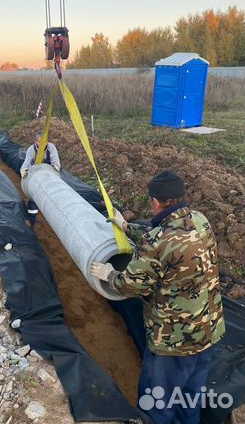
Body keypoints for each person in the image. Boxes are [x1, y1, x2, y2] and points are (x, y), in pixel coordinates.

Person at [91, 169, 225, 424]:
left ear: (155, 202)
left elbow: (131, 286)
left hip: (173, 343)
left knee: (158, 404)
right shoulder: (200, 220)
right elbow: (168, 242)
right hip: (207, 333)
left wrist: (110, 275)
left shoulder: (157, 241)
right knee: (190, 399)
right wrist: (127, 227)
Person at [20, 132, 61, 226]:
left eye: (45, 142)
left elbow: (55, 161)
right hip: (35, 175)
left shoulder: (51, 147)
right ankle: (31, 221)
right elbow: (27, 162)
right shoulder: (31, 149)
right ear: (36, 142)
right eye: (40, 142)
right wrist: (23, 170)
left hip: (48, 175)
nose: (43, 144)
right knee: (33, 199)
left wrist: (56, 168)